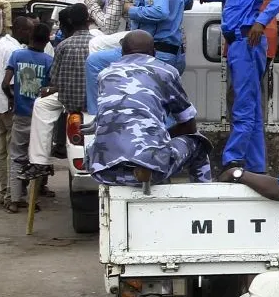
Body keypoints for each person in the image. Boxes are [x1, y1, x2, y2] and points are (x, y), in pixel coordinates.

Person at [203, 0, 279, 173]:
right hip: (236, 45)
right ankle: (256, 166)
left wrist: (261, 22)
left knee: (244, 106)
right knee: (250, 107)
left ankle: (233, 159)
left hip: (247, 44)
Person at [85, 31, 212, 186]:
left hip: (103, 170)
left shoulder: (104, 75)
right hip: (152, 165)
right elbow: (189, 125)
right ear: (154, 52)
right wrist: (163, 135)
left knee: (101, 143)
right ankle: (203, 194)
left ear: (122, 52)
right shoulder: (165, 71)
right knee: (199, 142)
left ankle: (134, 166)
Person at [30, 5, 93, 176]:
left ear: (70, 22)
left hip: (70, 102)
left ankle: (39, 160)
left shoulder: (63, 46)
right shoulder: (98, 43)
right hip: (94, 102)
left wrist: (49, 90)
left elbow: (55, 80)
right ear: (88, 20)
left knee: (41, 105)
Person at [2, 21, 54, 213]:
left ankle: (15, 200)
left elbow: (5, 83)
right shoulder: (49, 61)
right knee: (36, 159)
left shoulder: (17, 55)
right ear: (47, 39)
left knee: (16, 157)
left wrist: (13, 100)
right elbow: (52, 89)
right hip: (40, 117)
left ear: (30, 37)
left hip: (21, 114)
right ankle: (32, 201)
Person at [0, 15, 29, 209]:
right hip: (7, 106)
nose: (31, 34)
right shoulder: (14, 49)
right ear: (21, 31)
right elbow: (9, 84)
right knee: (13, 152)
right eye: (29, 30)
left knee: (2, 151)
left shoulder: (3, 42)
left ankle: (4, 191)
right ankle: (11, 193)